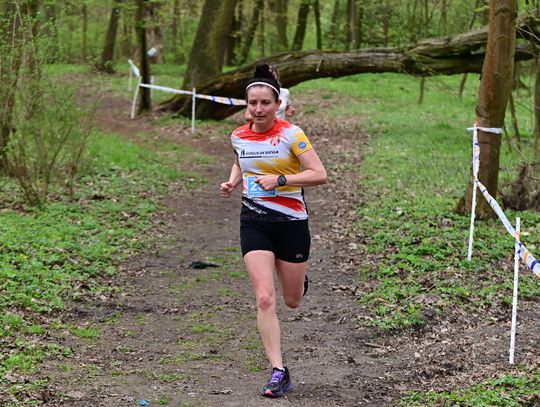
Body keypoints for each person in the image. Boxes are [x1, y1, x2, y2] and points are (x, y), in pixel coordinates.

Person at [220, 63, 327, 398]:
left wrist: (280, 179)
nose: (258, 108)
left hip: (291, 223)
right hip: (254, 221)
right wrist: (232, 181)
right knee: (265, 297)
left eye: (265, 102)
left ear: (277, 104)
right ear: (247, 105)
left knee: (291, 300)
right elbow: (240, 160)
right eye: (253, 103)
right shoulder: (238, 135)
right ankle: (279, 371)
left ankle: (298, 280)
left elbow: (319, 174)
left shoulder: (292, 135)